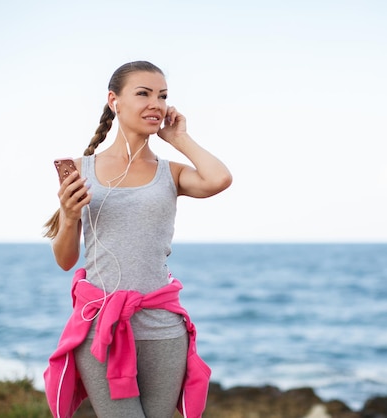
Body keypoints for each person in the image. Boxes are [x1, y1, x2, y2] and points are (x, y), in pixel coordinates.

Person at [42, 61, 232, 418]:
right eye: (143, 93)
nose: (155, 104)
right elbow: (66, 260)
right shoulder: (82, 170)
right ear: (114, 100)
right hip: (101, 328)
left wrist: (179, 139)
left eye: (162, 96)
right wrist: (68, 216)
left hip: (162, 327)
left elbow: (219, 179)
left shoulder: (170, 172)